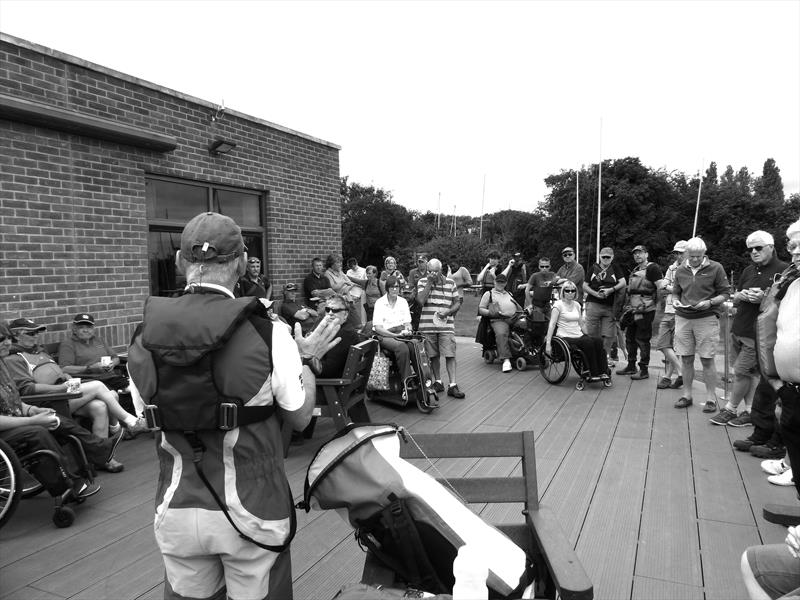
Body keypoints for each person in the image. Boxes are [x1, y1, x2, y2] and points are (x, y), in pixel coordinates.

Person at [126, 211, 341, 600]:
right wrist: (306, 359)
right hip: (253, 510)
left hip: (175, 507)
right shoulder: (269, 331)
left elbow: (146, 416)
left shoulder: (144, 336)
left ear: (179, 263)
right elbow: (301, 415)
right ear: (242, 263)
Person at [740, 220, 800, 596]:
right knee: (793, 434)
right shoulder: (793, 280)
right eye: (793, 243)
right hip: (789, 384)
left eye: (799, 243)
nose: (795, 250)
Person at [0, 322, 122, 500]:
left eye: (8, 338)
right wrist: (33, 420)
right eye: (1, 339)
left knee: (54, 418)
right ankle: (68, 487)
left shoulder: (2, 366)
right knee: (38, 432)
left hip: (19, 417)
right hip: (8, 429)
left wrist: (33, 410)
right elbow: (26, 391)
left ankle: (99, 451)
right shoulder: (13, 360)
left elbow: (15, 401)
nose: (7, 343)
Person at [6, 317, 145, 472]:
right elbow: (27, 389)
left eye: (37, 333)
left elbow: (59, 370)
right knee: (99, 386)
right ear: (17, 335)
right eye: (31, 333)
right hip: (48, 401)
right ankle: (129, 422)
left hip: (65, 394)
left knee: (99, 407)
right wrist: (59, 389)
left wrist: (66, 377)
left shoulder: (39, 351)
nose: (35, 336)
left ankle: (104, 458)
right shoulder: (14, 357)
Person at [710, 230, 787, 427]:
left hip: (758, 333)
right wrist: (740, 295)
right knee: (748, 374)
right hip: (739, 328)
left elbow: (787, 305)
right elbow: (734, 297)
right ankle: (751, 411)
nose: (754, 252)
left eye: (758, 248)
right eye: (751, 249)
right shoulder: (748, 270)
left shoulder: (784, 271)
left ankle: (730, 409)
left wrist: (765, 298)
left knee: (741, 373)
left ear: (771, 247)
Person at [672, 237, 730, 412]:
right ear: (687, 254)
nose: (695, 259)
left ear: (704, 253)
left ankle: (711, 398)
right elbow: (676, 292)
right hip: (683, 317)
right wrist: (675, 301)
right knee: (686, 357)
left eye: (698, 256)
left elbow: (725, 293)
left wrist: (711, 302)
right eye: (692, 256)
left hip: (706, 317)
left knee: (707, 358)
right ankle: (687, 395)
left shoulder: (716, 268)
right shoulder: (681, 269)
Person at [416, 258, 465, 398]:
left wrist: (448, 312)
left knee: (450, 354)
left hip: (446, 325)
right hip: (427, 325)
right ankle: (438, 381)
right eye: (430, 271)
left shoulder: (450, 283)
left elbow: (457, 303)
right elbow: (420, 301)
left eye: (436, 272)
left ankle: (453, 385)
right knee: (433, 355)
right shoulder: (423, 281)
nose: (433, 274)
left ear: (441, 270)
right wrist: (430, 283)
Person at [616, 245, 663, 380]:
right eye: (635, 253)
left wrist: (657, 307)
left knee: (642, 339)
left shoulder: (653, 268)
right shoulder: (636, 270)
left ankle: (644, 369)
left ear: (646, 254)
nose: (637, 255)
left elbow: (660, 288)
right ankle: (631, 366)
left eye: (640, 253)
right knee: (630, 338)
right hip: (633, 309)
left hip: (646, 309)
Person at [544, 283, 609, 379]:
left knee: (598, 341)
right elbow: (552, 324)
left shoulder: (577, 305)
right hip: (564, 336)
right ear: (563, 292)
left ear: (575, 292)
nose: (570, 293)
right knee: (587, 342)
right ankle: (593, 372)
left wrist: (589, 335)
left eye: (573, 290)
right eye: (567, 290)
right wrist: (548, 343)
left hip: (578, 335)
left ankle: (603, 371)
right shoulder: (558, 305)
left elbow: (581, 324)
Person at [57, 313, 128, 393]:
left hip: (111, 377)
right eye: (81, 327)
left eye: (89, 327)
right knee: (121, 391)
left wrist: (113, 363)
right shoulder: (68, 344)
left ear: (93, 328)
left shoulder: (99, 340)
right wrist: (90, 368)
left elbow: (115, 357)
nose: (86, 330)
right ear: (74, 329)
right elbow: (64, 368)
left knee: (133, 388)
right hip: (90, 379)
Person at [583, 248, 627, 365]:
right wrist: (595, 294)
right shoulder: (593, 268)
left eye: (608, 257)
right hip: (593, 303)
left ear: (612, 257)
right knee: (592, 333)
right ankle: (591, 357)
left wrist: (611, 290)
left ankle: (605, 356)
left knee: (609, 334)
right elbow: (585, 285)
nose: (606, 259)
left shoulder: (615, 268)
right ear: (599, 257)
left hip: (609, 306)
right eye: (604, 257)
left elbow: (623, 282)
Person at [655, 241, 687, 389]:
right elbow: (662, 286)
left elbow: (685, 289)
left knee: (675, 348)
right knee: (662, 344)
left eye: (681, 252)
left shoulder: (690, 269)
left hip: (682, 311)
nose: (678, 256)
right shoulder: (671, 267)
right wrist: (674, 288)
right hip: (669, 309)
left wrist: (672, 288)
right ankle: (681, 373)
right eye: (676, 253)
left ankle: (667, 377)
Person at [372, 276, 414, 382]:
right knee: (402, 347)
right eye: (392, 287)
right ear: (387, 288)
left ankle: (423, 381)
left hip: (401, 332)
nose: (395, 289)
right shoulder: (380, 302)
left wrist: (408, 329)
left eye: (397, 287)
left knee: (415, 345)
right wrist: (394, 336)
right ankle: (407, 382)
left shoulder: (403, 302)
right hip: (385, 334)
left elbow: (407, 323)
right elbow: (378, 328)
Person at [477, 273, 520, 373]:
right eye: (498, 282)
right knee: (501, 333)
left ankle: (529, 353)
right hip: (498, 319)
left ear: (505, 283)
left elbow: (518, 307)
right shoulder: (489, 294)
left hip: (514, 318)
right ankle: (506, 360)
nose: (500, 284)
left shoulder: (509, 293)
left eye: (503, 282)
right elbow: (481, 309)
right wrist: (491, 312)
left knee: (530, 327)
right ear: (494, 282)